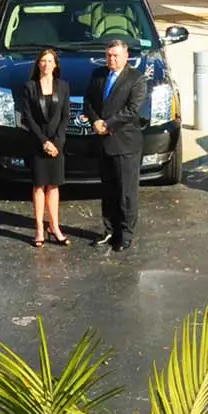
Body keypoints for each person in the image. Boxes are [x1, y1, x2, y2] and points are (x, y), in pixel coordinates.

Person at [85, 37, 147, 253]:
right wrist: (95, 121)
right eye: (109, 55)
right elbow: (89, 102)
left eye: (116, 56)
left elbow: (132, 110)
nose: (112, 59)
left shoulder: (137, 80)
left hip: (125, 143)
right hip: (103, 143)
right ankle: (109, 229)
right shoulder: (98, 75)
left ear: (126, 56)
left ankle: (126, 233)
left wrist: (108, 124)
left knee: (126, 193)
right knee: (108, 190)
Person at [21, 47, 70, 248]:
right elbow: (28, 118)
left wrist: (56, 142)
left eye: (50, 61)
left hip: (57, 144)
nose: (46, 64)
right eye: (43, 60)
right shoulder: (29, 87)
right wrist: (44, 142)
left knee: (54, 186)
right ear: (38, 64)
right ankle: (40, 228)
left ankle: (55, 227)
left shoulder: (63, 86)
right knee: (39, 185)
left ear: (55, 65)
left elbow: (65, 116)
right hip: (38, 143)